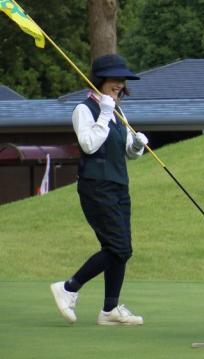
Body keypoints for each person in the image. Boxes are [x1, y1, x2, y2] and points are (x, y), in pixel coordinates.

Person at [50, 54, 149, 326]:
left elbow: (126, 152)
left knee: (121, 248)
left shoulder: (117, 112)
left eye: (122, 80)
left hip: (119, 185)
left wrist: (136, 145)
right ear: (100, 80)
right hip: (95, 186)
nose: (120, 84)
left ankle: (109, 310)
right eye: (114, 79)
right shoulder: (84, 110)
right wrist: (105, 113)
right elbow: (89, 145)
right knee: (118, 246)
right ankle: (68, 287)